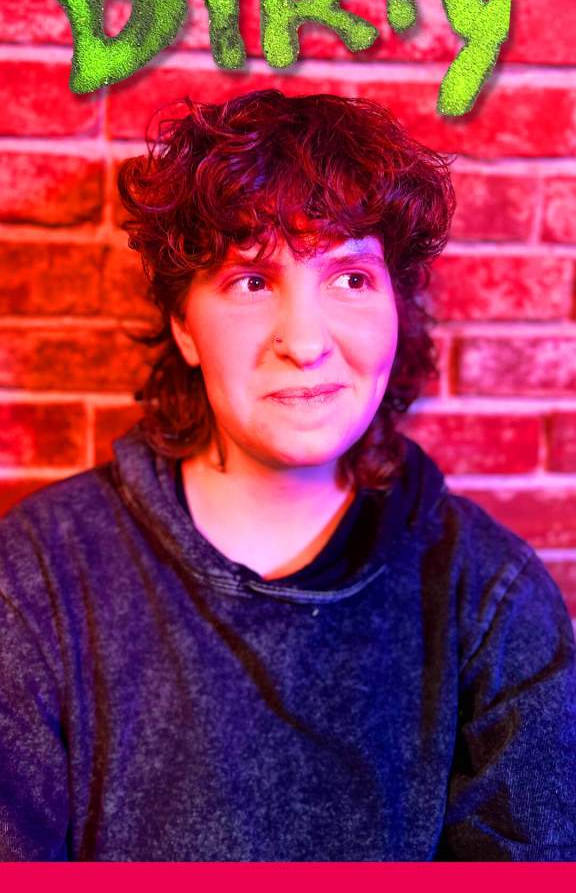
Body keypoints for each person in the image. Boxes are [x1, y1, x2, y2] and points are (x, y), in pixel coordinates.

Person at [0, 89, 575, 862]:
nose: (304, 342)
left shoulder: (492, 595)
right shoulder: (37, 579)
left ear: (396, 310)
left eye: (351, 278)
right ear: (184, 326)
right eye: (251, 281)